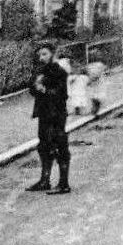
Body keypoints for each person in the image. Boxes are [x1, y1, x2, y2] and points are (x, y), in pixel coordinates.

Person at [27, 41, 71, 194]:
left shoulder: (59, 71)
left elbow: (62, 94)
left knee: (59, 145)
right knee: (44, 145)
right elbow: (32, 90)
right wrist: (35, 86)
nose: (41, 57)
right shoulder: (41, 71)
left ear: (52, 54)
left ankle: (64, 183)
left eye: (44, 54)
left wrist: (44, 89)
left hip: (57, 114)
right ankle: (44, 180)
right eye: (39, 54)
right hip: (44, 113)